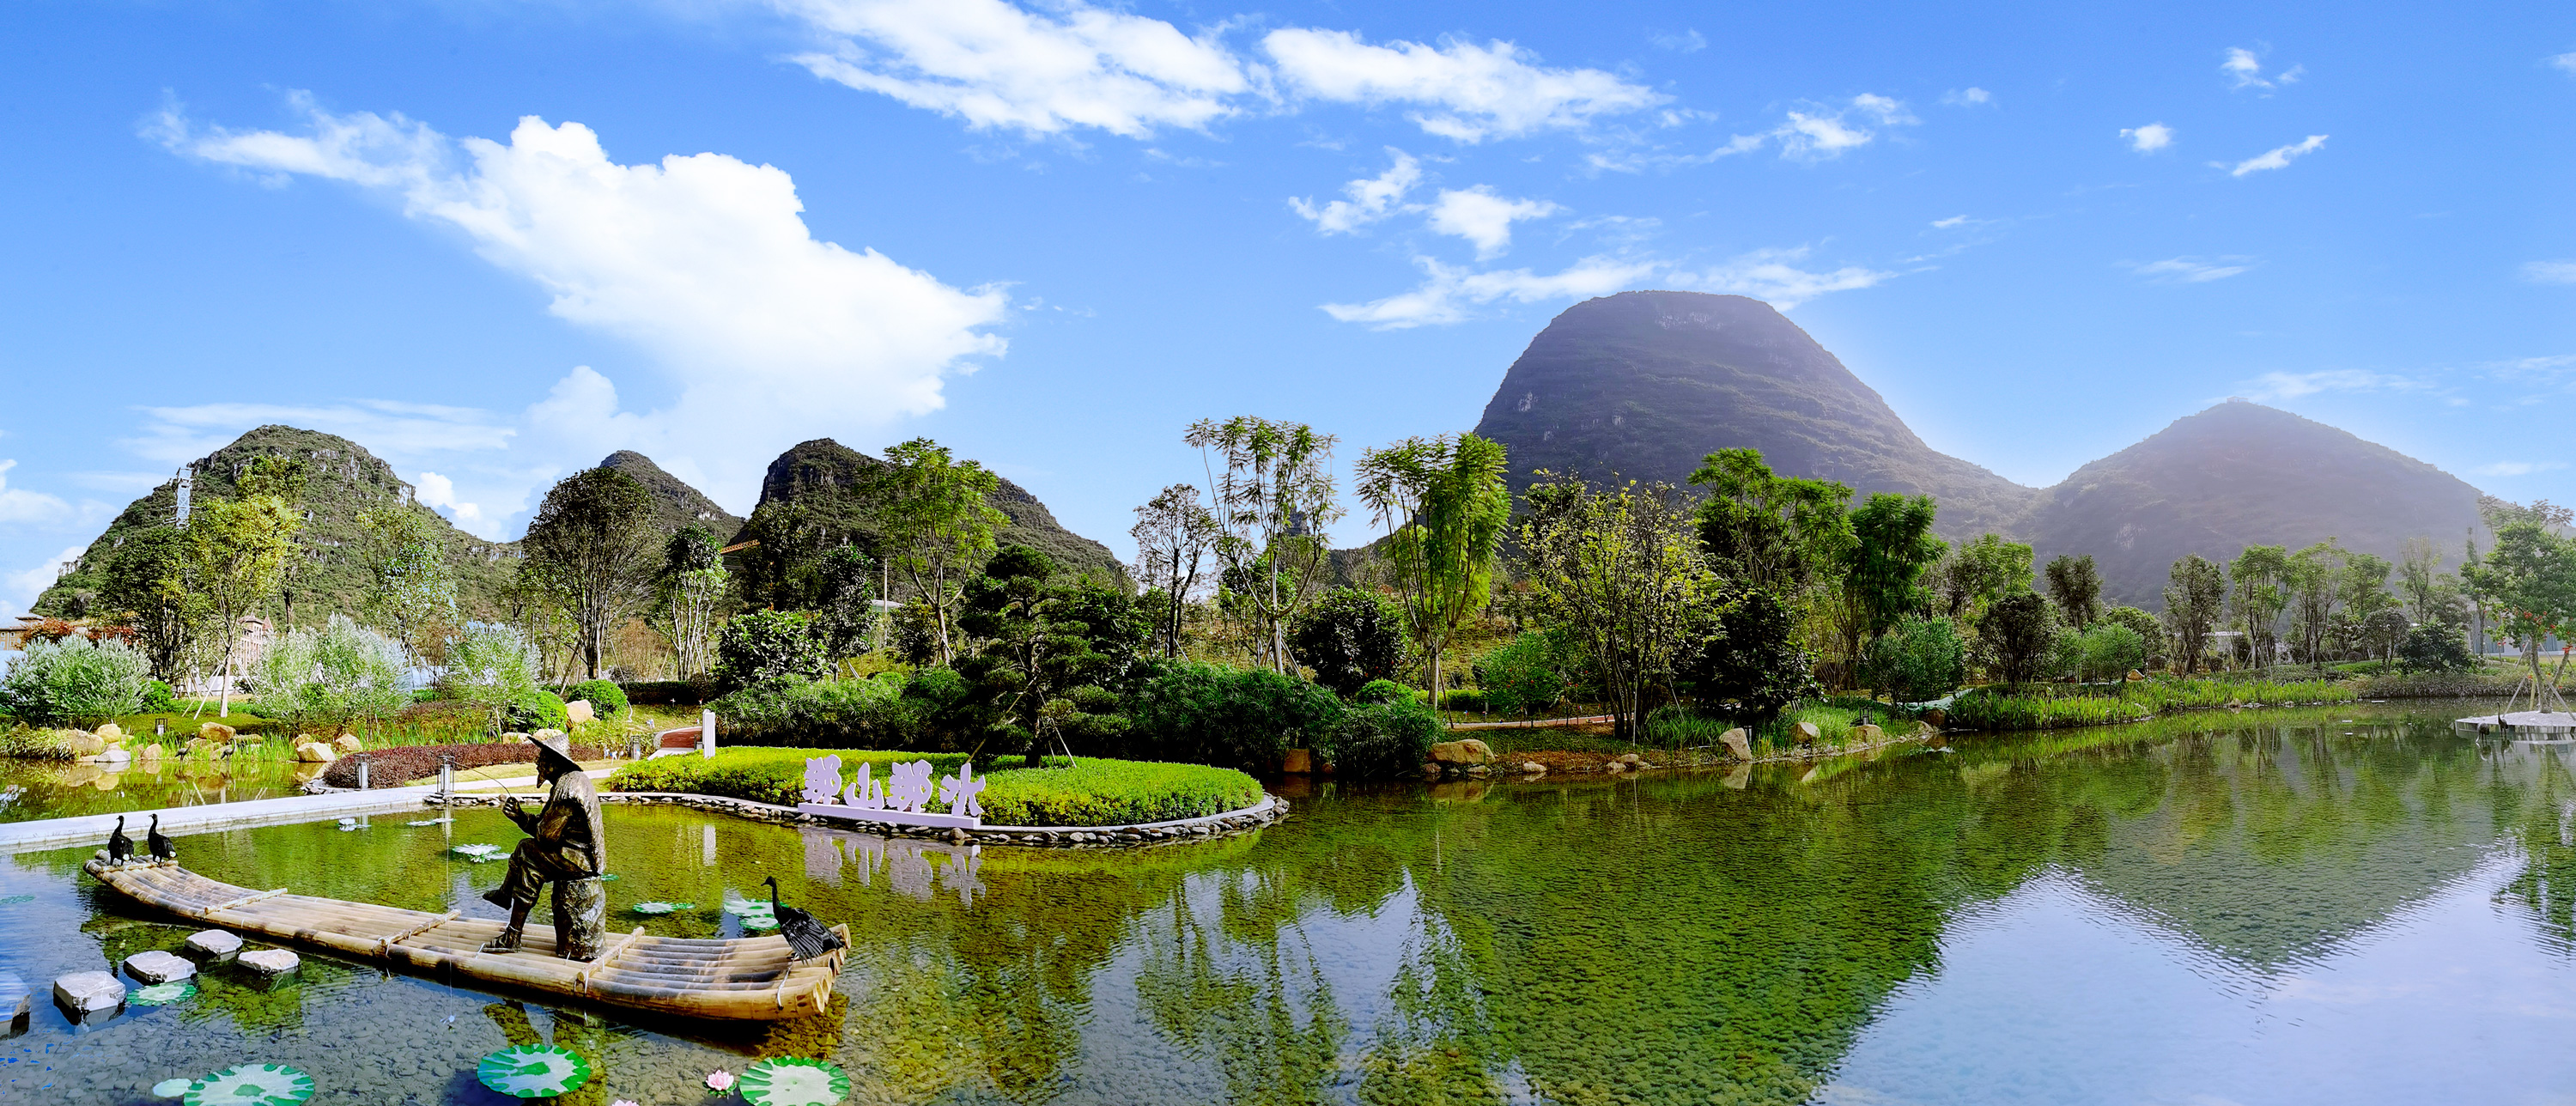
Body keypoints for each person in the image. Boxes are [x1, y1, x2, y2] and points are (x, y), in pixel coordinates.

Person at [480, 733, 606, 956]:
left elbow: (546, 836)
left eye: (541, 758)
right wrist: (521, 817)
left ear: (553, 762)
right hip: (573, 854)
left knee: (527, 854)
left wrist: (521, 820)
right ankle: (507, 910)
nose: (537, 763)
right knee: (527, 854)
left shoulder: (569, 789)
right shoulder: (566, 782)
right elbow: (545, 826)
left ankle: (511, 930)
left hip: (579, 860)